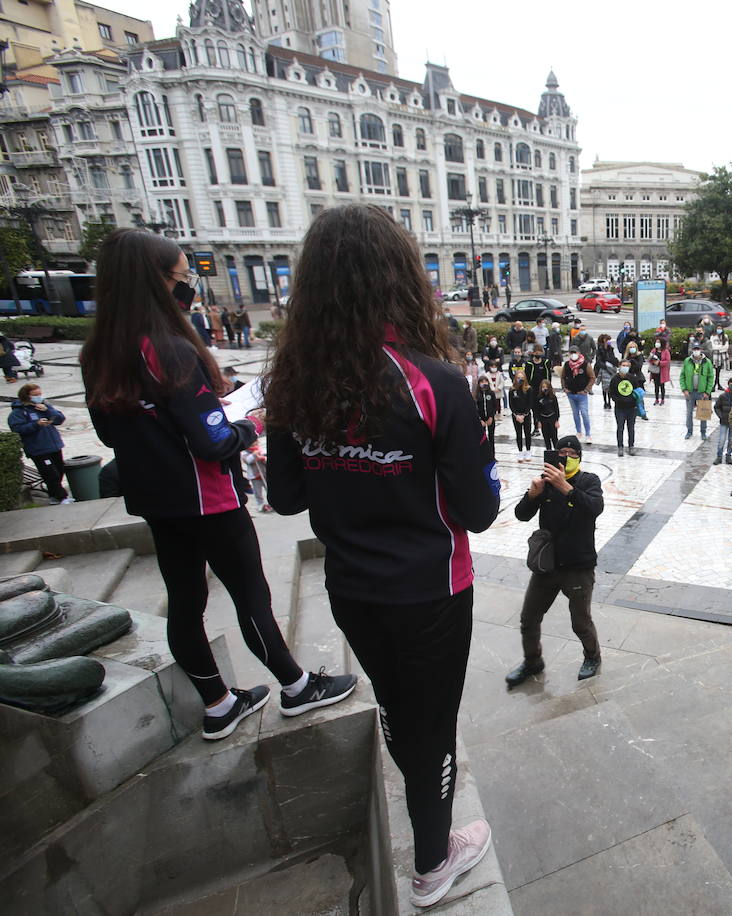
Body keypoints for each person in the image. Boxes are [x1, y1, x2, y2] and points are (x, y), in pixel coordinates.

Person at [260, 207, 500, 905]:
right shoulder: (431, 381)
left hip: (353, 587)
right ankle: (433, 862)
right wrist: (479, 459)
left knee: (399, 707)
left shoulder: (295, 384)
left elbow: (284, 494)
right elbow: (477, 512)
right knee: (433, 727)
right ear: (398, 279)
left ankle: (430, 829)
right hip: (430, 589)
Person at [83, 228, 357, 747]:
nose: (190, 288)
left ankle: (218, 703)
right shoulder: (169, 351)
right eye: (184, 279)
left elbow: (108, 433)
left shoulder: (98, 352)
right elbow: (213, 443)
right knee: (249, 594)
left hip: (157, 501)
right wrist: (250, 423)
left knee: (184, 600)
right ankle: (297, 687)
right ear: (159, 282)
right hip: (207, 497)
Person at [508, 435, 604, 686]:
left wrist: (566, 487)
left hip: (578, 567)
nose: (567, 457)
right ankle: (532, 662)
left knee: (580, 622)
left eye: (572, 453)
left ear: (579, 457)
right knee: (528, 618)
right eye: (562, 453)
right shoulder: (546, 483)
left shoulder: (589, 480)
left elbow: (595, 508)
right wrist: (532, 494)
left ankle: (592, 657)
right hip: (547, 566)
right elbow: (521, 515)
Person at [8, 383, 73, 504]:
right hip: (38, 449)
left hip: (53, 445)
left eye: (40, 394)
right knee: (51, 474)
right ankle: (61, 497)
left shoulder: (43, 406)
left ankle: (54, 496)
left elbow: (59, 419)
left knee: (59, 471)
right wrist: (35, 424)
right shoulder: (18, 413)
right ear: (26, 396)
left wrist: (48, 410)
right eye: (35, 395)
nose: (39, 397)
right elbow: (17, 429)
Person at [680, 342, 716, 440]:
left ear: (700, 350)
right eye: (694, 349)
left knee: (703, 413)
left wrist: (707, 391)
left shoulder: (707, 362)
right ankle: (689, 431)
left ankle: (703, 432)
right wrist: (684, 389)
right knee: (689, 413)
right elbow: (682, 376)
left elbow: (710, 377)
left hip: (702, 392)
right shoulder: (687, 361)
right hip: (690, 392)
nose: (696, 351)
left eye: (697, 349)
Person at [610, 358, 643, 456]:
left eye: (627, 366)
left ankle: (631, 446)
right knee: (620, 428)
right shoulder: (615, 379)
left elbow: (637, 392)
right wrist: (620, 400)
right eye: (623, 365)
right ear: (619, 366)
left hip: (631, 408)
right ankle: (620, 447)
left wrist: (636, 402)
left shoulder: (632, 378)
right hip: (620, 408)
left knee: (631, 428)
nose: (625, 368)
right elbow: (612, 394)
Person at [561, 351, 594, 441]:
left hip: (582, 394)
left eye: (575, 352)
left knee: (584, 413)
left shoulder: (585, 364)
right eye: (571, 353)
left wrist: (587, 389)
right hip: (571, 393)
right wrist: (564, 387)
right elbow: (563, 376)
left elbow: (592, 377)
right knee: (575, 413)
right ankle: (578, 432)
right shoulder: (567, 364)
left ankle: (588, 434)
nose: (573, 354)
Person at [474, 375, 501, 465]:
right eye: (482, 382)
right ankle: (482, 456)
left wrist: (491, 417)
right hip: (481, 420)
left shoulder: (491, 393)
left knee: (491, 438)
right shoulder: (477, 394)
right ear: (479, 384)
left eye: (485, 382)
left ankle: (492, 456)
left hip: (490, 419)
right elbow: (475, 408)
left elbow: (494, 406)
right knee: (482, 439)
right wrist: (480, 419)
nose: (484, 383)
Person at [508, 370, 534, 461]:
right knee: (518, 434)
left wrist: (524, 415)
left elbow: (530, 403)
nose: (520, 379)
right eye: (518, 378)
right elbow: (511, 404)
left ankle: (528, 451)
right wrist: (517, 415)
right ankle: (520, 451)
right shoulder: (512, 390)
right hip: (516, 416)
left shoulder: (529, 389)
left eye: (522, 378)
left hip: (526, 415)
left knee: (527, 433)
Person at [712, 377, 732, 465]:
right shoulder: (723, 396)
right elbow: (717, 407)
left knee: (731, 439)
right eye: (731, 384)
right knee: (722, 439)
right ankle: (719, 456)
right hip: (724, 421)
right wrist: (721, 416)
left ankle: (728, 455)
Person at [240, 441, 271, 513]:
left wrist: (263, 458)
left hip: (264, 473)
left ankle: (272, 502)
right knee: (258, 492)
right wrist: (254, 455)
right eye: (253, 443)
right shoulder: (245, 452)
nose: (255, 444)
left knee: (269, 489)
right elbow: (248, 461)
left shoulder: (260, 450)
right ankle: (260, 504)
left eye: (256, 443)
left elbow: (267, 459)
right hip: (255, 476)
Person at [534, 379, 560, 451]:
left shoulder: (553, 397)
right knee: (546, 437)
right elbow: (537, 411)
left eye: (546, 387)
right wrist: (538, 421)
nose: (545, 388)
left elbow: (556, 409)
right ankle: (549, 452)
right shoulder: (539, 398)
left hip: (552, 418)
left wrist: (557, 421)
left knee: (554, 437)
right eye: (543, 387)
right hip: (543, 419)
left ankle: (557, 452)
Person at [648, 338, 671, 405]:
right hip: (654, 371)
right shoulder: (654, 350)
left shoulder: (666, 351)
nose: (657, 343)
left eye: (658, 342)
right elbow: (649, 359)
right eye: (656, 342)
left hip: (662, 372)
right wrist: (652, 361)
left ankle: (663, 399)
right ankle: (656, 399)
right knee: (656, 386)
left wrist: (659, 363)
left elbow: (667, 361)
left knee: (662, 386)